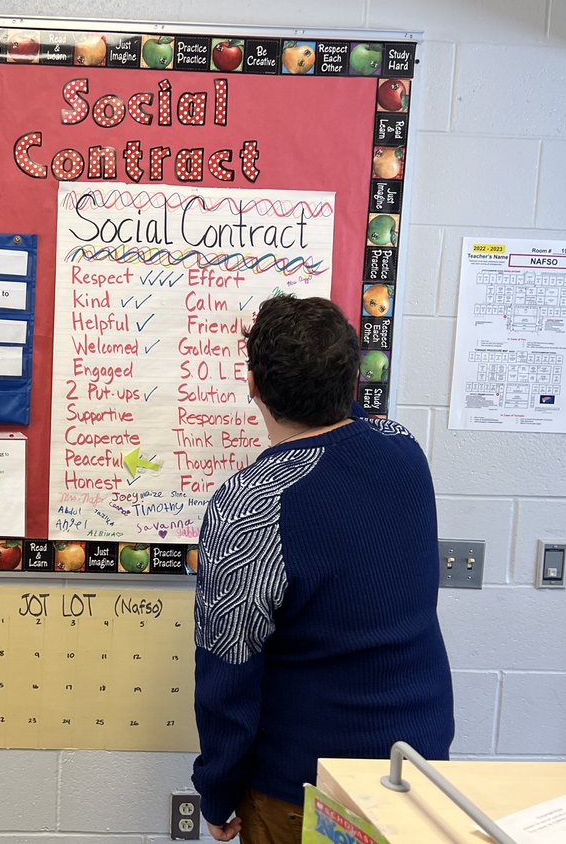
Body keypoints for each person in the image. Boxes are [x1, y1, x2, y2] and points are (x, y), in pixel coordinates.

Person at [191, 295, 454, 844]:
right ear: (353, 380)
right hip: (419, 770)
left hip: (309, 789)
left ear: (254, 385)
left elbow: (228, 675)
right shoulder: (403, 449)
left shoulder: (250, 506)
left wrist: (216, 789)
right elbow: (349, 434)